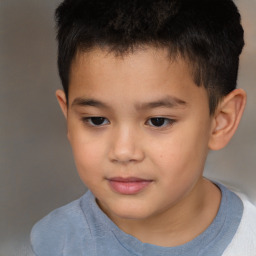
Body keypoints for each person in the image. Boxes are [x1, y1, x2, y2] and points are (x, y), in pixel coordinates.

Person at [30, 0, 256, 255]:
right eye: (96, 120)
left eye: (158, 121)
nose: (123, 151)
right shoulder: (54, 240)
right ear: (68, 114)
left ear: (221, 121)